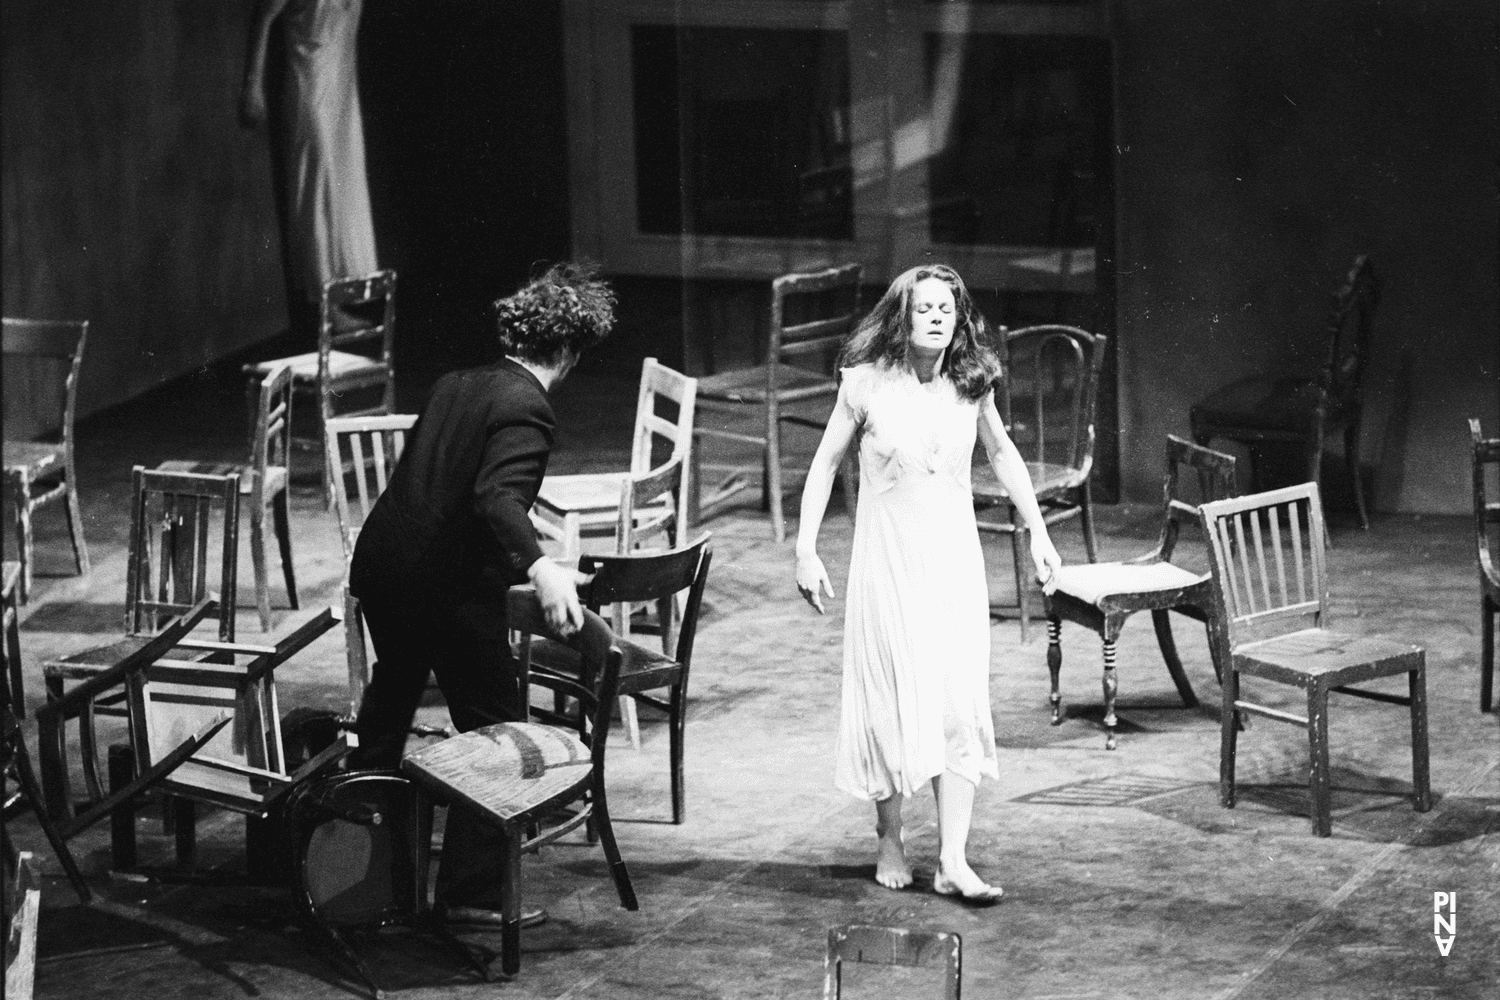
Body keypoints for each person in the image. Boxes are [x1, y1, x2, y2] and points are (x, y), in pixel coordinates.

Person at [345, 263, 614, 919]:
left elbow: (446, 483)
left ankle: (355, 871)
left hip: (385, 569)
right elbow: (494, 497)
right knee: (498, 728)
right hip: (444, 587)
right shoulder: (528, 406)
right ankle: (468, 892)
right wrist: (542, 566)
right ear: (571, 351)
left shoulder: (456, 383)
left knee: (391, 703)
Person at [795, 263, 1062, 903]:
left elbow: (1002, 454)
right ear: (902, 317)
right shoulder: (864, 384)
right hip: (886, 566)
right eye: (926, 308)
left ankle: (951, 859)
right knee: (887, 697)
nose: (939, 317)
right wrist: (806, 548)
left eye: (949, 308)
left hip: (952, 564)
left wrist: (1039, 532)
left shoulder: (973, 384)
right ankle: (890, 838)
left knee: (959, 701)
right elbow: (826, 461)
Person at [241, 0, 379, 337]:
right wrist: (253, 85)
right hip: (311, 84)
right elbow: (265, 15)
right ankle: (325, 307)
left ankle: (341, 297)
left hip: (342, 87)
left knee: (343, 189)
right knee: (317, 187)